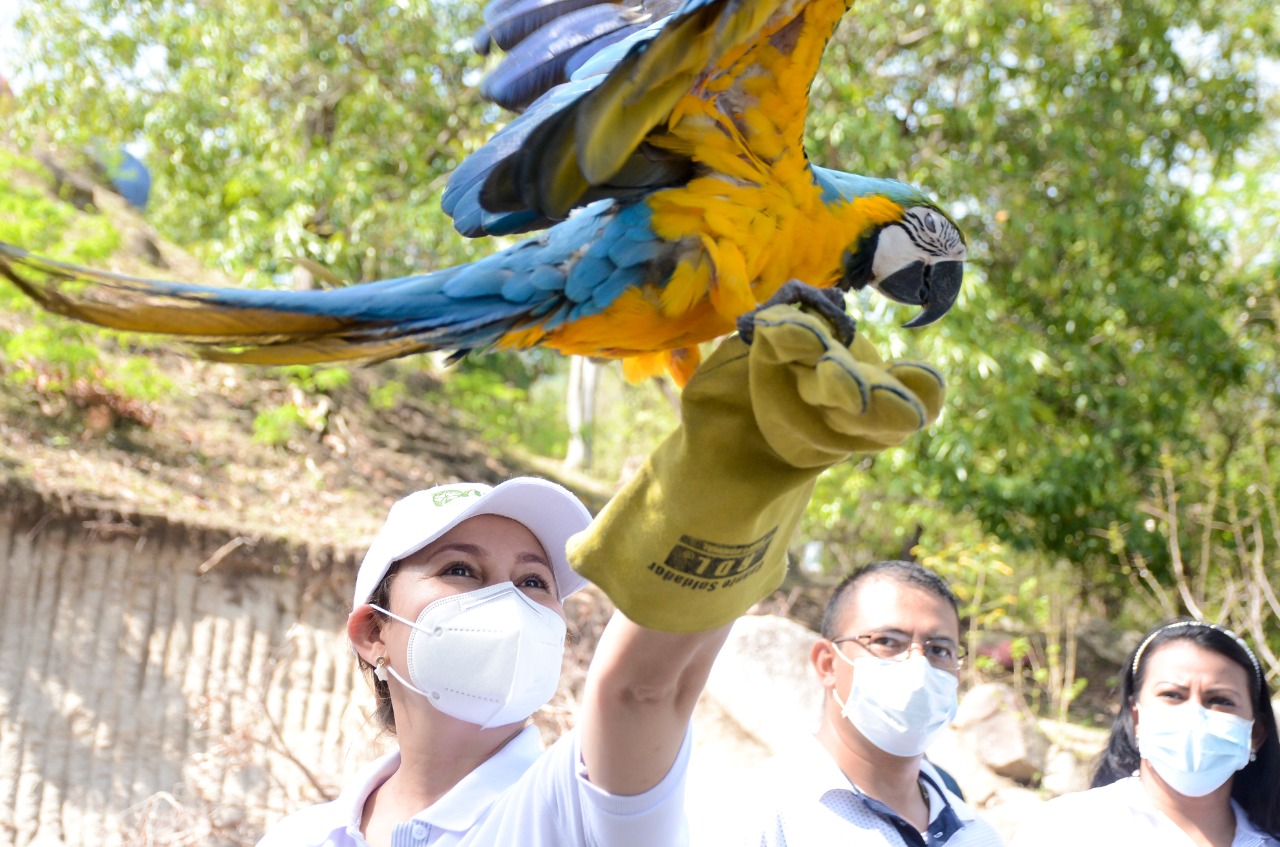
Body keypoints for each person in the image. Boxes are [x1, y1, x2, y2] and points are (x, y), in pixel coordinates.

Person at [254, 303, 948, 847]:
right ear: (372, 632)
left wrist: (755, 462)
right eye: (460, 569)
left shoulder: (583, 807)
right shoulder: (300, 836)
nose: (506, 601)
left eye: (533, 581)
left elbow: (643, 688)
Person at [717, 560, 1003, 847]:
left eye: (939, 650)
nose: (918, 668)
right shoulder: (762, 813)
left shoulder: (978, 835)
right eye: (887, 641)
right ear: (828, 663)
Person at [1010, 619, 1280, 847]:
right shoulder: (1066, 829)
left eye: (1220, 700)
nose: (1194, 715)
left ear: (1256, 734)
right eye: (1173, 695)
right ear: (1136, 718)